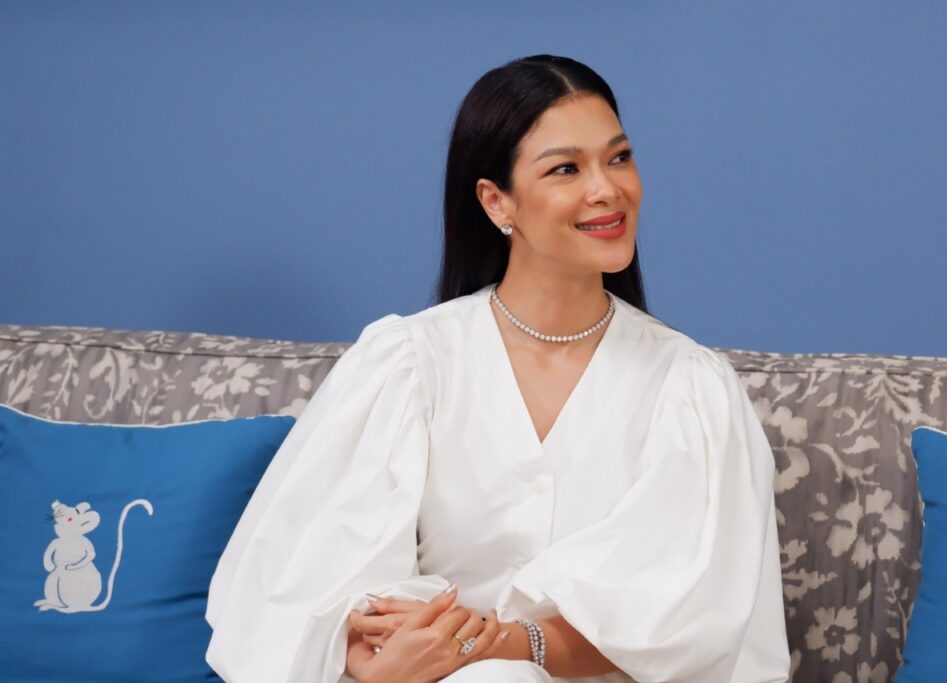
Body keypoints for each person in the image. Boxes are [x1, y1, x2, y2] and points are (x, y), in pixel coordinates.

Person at [204, 54, 790, 683]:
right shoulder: (410, 363)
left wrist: (499, 646)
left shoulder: (689, 388)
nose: (607, 189)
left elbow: (693, 622)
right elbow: (298, 587)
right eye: (566, 168)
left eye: (619, 157)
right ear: (496, 202)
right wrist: (375, 659)